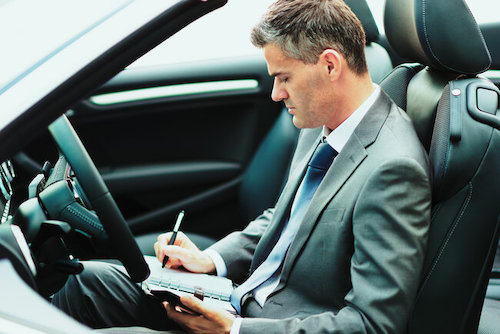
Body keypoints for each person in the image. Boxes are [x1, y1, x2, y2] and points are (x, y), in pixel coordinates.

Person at [53, 0, 432, 333]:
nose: (276, 93)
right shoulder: (326, 120)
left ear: (330, 65)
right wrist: (211, 261)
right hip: (237, 298)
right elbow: (285, 217)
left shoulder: (393, 170)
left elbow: (372, 325)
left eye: (284, 78)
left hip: (268, 324)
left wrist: (233, 330)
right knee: (85, 282)